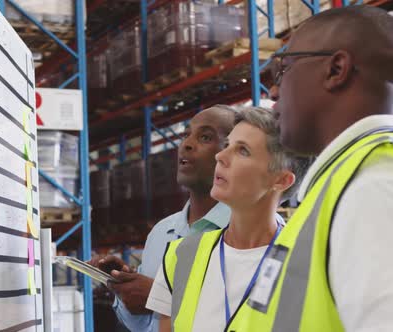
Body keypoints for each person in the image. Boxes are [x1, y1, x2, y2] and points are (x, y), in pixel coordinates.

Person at [225, 6, 393, 331]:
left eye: (283, 71)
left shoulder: (372, 187)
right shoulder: (344, 183)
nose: (273, 92)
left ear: (336, 69)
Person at [146, 107, 310, 331]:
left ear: (281, 180)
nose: (220, 157)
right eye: (226, 146)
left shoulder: (308, 262)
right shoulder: (180, 255)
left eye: (242, 151)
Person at [88, 105, 238, 331]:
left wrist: (160, 296)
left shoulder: (246, 232)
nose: (186, 144)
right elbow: (143, 326)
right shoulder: (161, 232)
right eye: (186, 134)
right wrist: (124, 288)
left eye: (205, 137)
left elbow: (245, 316)